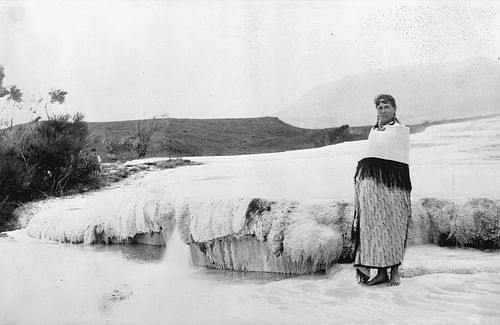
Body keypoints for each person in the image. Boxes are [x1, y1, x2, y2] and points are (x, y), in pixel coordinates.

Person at [351, 94, 412, 286]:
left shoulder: (400, 131)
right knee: (373, 226)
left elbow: (399, 159)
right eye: (379, 107)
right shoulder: (374, 132)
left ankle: (394, 271)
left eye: (387, 107)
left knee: (393, 224)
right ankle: (379, 272)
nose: (383, 110)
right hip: (371, 184)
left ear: (394, 109)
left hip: (394, 185)